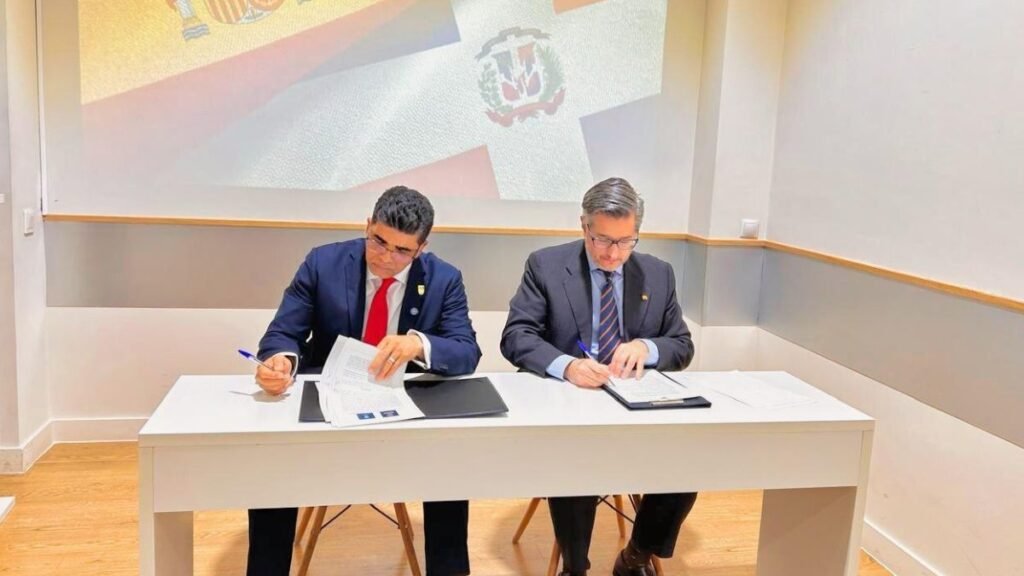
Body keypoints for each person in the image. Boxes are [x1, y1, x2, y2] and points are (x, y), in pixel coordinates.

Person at [249, 186, 481, 576]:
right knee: (274, 462)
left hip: (403, 408)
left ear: (422, 248)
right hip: (330, 400)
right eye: (378, 241)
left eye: (402, 250)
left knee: (449, 462)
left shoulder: (443, 279)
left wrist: (418, 344)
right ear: (367, 226)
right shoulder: (324, 263)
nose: (386, 257)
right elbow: (283, 333)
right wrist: (280, 361)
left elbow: (466, 351)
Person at [500, 177, 696, 576]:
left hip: (636, 410)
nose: (613, 253)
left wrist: (647, 347)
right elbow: (516, 337)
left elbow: (681, 344)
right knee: (576, 460)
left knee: (687, 462)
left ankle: (635, 556)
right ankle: (575, 568)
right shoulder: (546, 265)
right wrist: (567, 365)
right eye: (602, 239)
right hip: (570, 409)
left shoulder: (658, 274)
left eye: (626, 241)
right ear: (584, 226)